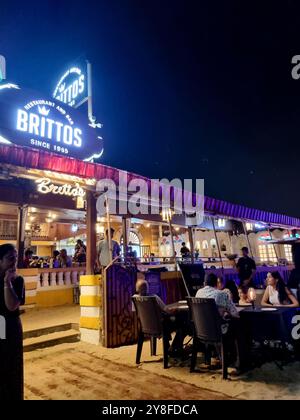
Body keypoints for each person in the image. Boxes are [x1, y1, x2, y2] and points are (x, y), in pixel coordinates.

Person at [0, 244, 25, 400]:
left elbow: (11, 306)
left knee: (11, 363)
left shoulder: (17, 280)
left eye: (15, 258)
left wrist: (7, 282)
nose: (14, 261)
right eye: (10, 258)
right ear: (0, 260)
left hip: (10, 324)